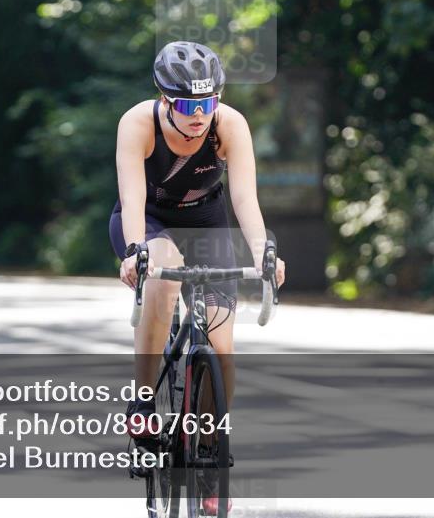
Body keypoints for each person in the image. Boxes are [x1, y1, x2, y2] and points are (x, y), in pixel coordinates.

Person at [109, 41, 286, 514]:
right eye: (187, 105)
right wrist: (135, 253)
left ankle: (209, 454)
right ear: (164, 99)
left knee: (221, 347)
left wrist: (263, 251)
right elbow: (132, 198)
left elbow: (245, 199)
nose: (198, 115)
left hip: (206, 219)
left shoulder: (229, 125)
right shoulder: (137, 123)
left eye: (207, 103)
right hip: (150, 221)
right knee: (164, 283)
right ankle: (144, 403)